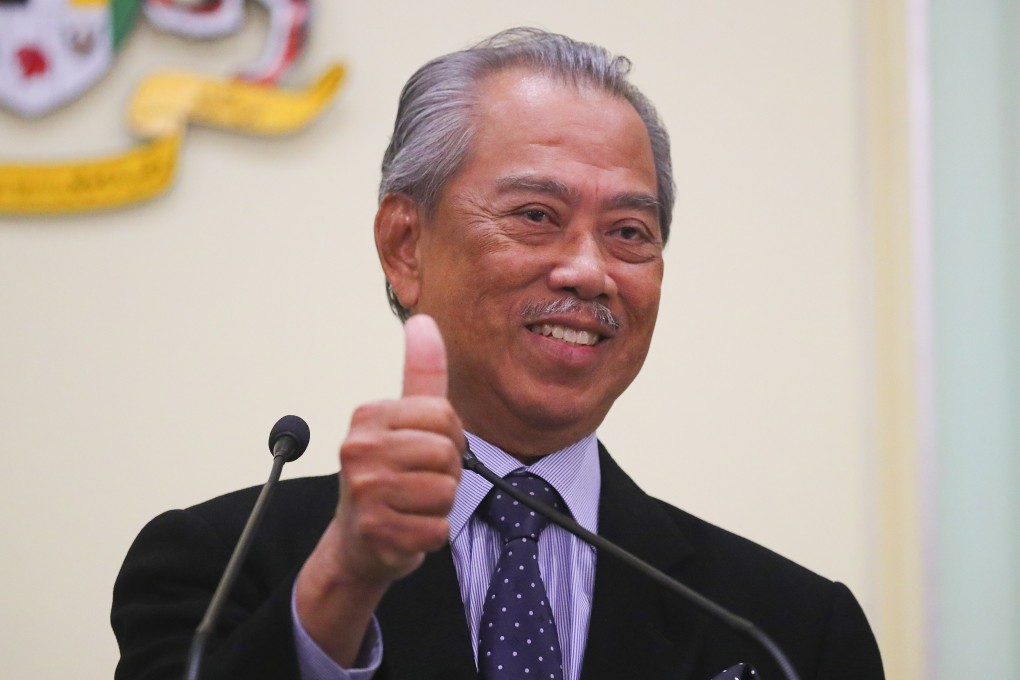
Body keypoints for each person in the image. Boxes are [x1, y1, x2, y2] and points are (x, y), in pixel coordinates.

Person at [112, 28, 885, 680]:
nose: (589, 271)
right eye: (536, 215)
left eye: (629, 233)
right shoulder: (214, 568)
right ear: (405, 245)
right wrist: (344, 581)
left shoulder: (790, 629)